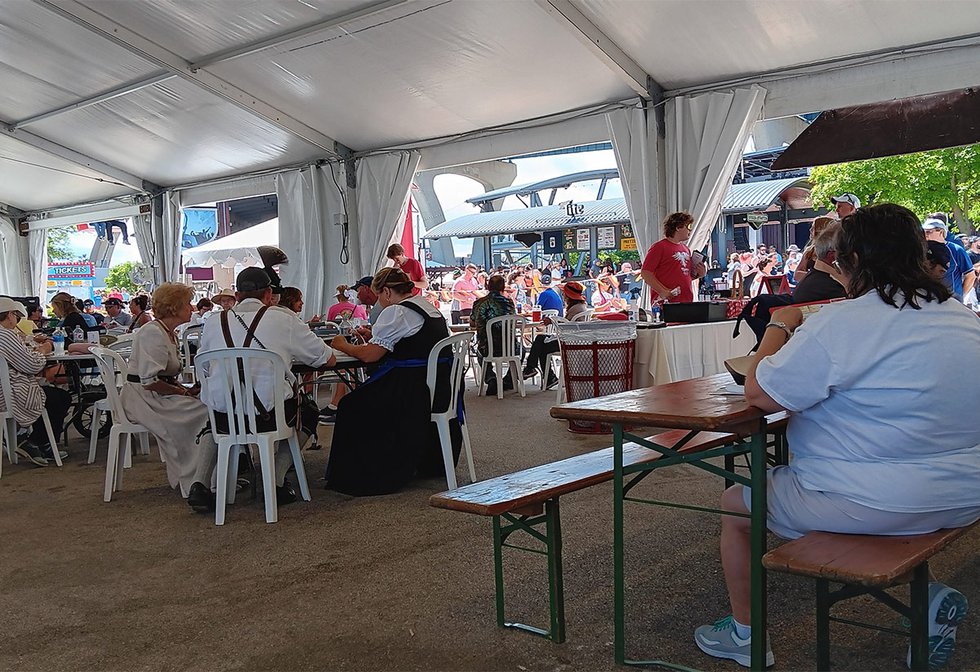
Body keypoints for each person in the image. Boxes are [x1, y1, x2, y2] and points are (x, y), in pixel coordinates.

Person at [696, 204, 980, 668]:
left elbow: (760, 392)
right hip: (966, 489)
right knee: (884, 500)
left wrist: (780, 324)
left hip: (878, 499)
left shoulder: (842, 322)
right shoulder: (961, 318)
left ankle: (746, 636)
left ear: (847, 261)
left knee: (737, 501)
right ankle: (925, 600)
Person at [198, 268, 335, 506]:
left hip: (226, 417)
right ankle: (276, 478)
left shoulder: (212, 323)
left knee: (214, 419)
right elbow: (325, 358)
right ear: (269, 293)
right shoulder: (284, 319)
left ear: (237, 295)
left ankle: (199, 484)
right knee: (310, 411)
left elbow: (206, 366)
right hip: (269, 417)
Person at [324, 267, 459, 496]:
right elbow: (412, 340)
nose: (379, 301)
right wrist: (376, 336)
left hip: (412, 389)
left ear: (386, 292)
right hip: (440, 385)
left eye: (378, 296)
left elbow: (370, 356)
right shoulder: (426, 306)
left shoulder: (396, 311)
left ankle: (362, 471)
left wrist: (342, 345)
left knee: (350, 405)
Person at [119, 283, 219, 512]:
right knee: (206, 413)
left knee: (208, 406)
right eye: (186, 304)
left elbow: (162, 376)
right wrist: (182, 392)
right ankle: (196, 480)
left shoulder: (166, 332)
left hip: (155, 394)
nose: (191, 307)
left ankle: (205, 477)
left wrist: (186, 389)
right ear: (174, 308)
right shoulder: (152, 333)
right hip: (144, 399)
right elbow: (149, 381)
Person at [0, 297, 71, 466]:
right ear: (10, 315)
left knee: (52, 396)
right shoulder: (5, 335)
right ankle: (35, 442)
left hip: (5, 389)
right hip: (10, 393)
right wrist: (44, 349)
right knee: (60, 398)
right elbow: (31, 365)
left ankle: (38, 441)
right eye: (16, 316)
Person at [522, 281, 588, 389]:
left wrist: (553, 321)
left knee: (540, 340)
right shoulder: (581, 307)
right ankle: (547, 376)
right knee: (541, 344)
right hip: (575, 340)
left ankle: (532, 368)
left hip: (568, 341)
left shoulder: (574, 309)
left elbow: (565, 326)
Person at [640, 211, 706, 303]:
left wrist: (699, 274)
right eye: (688, 226)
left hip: (686, 300)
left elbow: (684, 276)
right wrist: (662, 291)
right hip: (666, 303)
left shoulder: (686, 249)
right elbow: (645, 273)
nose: (690, 230)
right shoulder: (659, 247)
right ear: (678, 227)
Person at [471, 274, 517, 396]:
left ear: (488, 286)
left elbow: (472, 322)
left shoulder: (478, 303)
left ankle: (491, 379)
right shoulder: (509, 303)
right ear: (503, 287)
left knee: (480, 353)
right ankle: (508, 380)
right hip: (509, 347)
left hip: (486, 347)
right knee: (520, 350)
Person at [791, 220, 847, 304]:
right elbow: (797, 274)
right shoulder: (830, 284)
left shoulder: (820, 280)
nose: (810, 230)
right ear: (832, 255)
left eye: (813, 228)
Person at [923, 217, 974, 301]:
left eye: (928, 231)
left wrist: (960, 297)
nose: (925, 234)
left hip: (951, 300)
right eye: (923, 232)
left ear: (941, 232)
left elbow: (970, 276)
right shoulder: (922, 249)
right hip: (929, 300)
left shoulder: (956, 250)